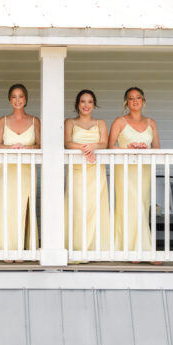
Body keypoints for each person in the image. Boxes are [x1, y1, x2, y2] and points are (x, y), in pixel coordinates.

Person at [108, 86, 160, 255]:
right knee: (129, 206)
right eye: (131, 98)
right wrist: (128, 149)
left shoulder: (151, 123)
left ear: (143, 101)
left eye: (138, 97)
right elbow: (110, 146)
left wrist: (144, 149)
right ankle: (135, 249)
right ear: (127, 103)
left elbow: (157, 149)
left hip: (144, 170)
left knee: (142, 206)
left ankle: (139, 248)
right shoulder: (119, 121)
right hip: (124, 170)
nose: (135, 101)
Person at [0, 83, 40, 254]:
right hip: (7, 170)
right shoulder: (3, 121)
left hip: (26, 170)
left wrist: (27, 148)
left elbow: (40, 145)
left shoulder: (34, 121)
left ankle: (21, 248)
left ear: (26, 99)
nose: (17, 100)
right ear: (9, 100)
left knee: (24, 207)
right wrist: (11, 147)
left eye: (21, 96)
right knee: (7, 207)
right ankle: (7, 247)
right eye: (14, 96)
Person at [64, 89, 110, 253]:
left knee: (94, 207)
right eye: (83, 101)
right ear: (77, 104)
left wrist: (93, 146)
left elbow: (104, 143)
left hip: (95, 170)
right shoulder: (70, 122)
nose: (86, 105)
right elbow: (68, 143)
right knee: (78, 207)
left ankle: (94, 248)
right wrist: (85, 148)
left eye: (90, 102)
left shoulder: (100, 123)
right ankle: (77, 247)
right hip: (77, 171)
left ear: (94, 104)